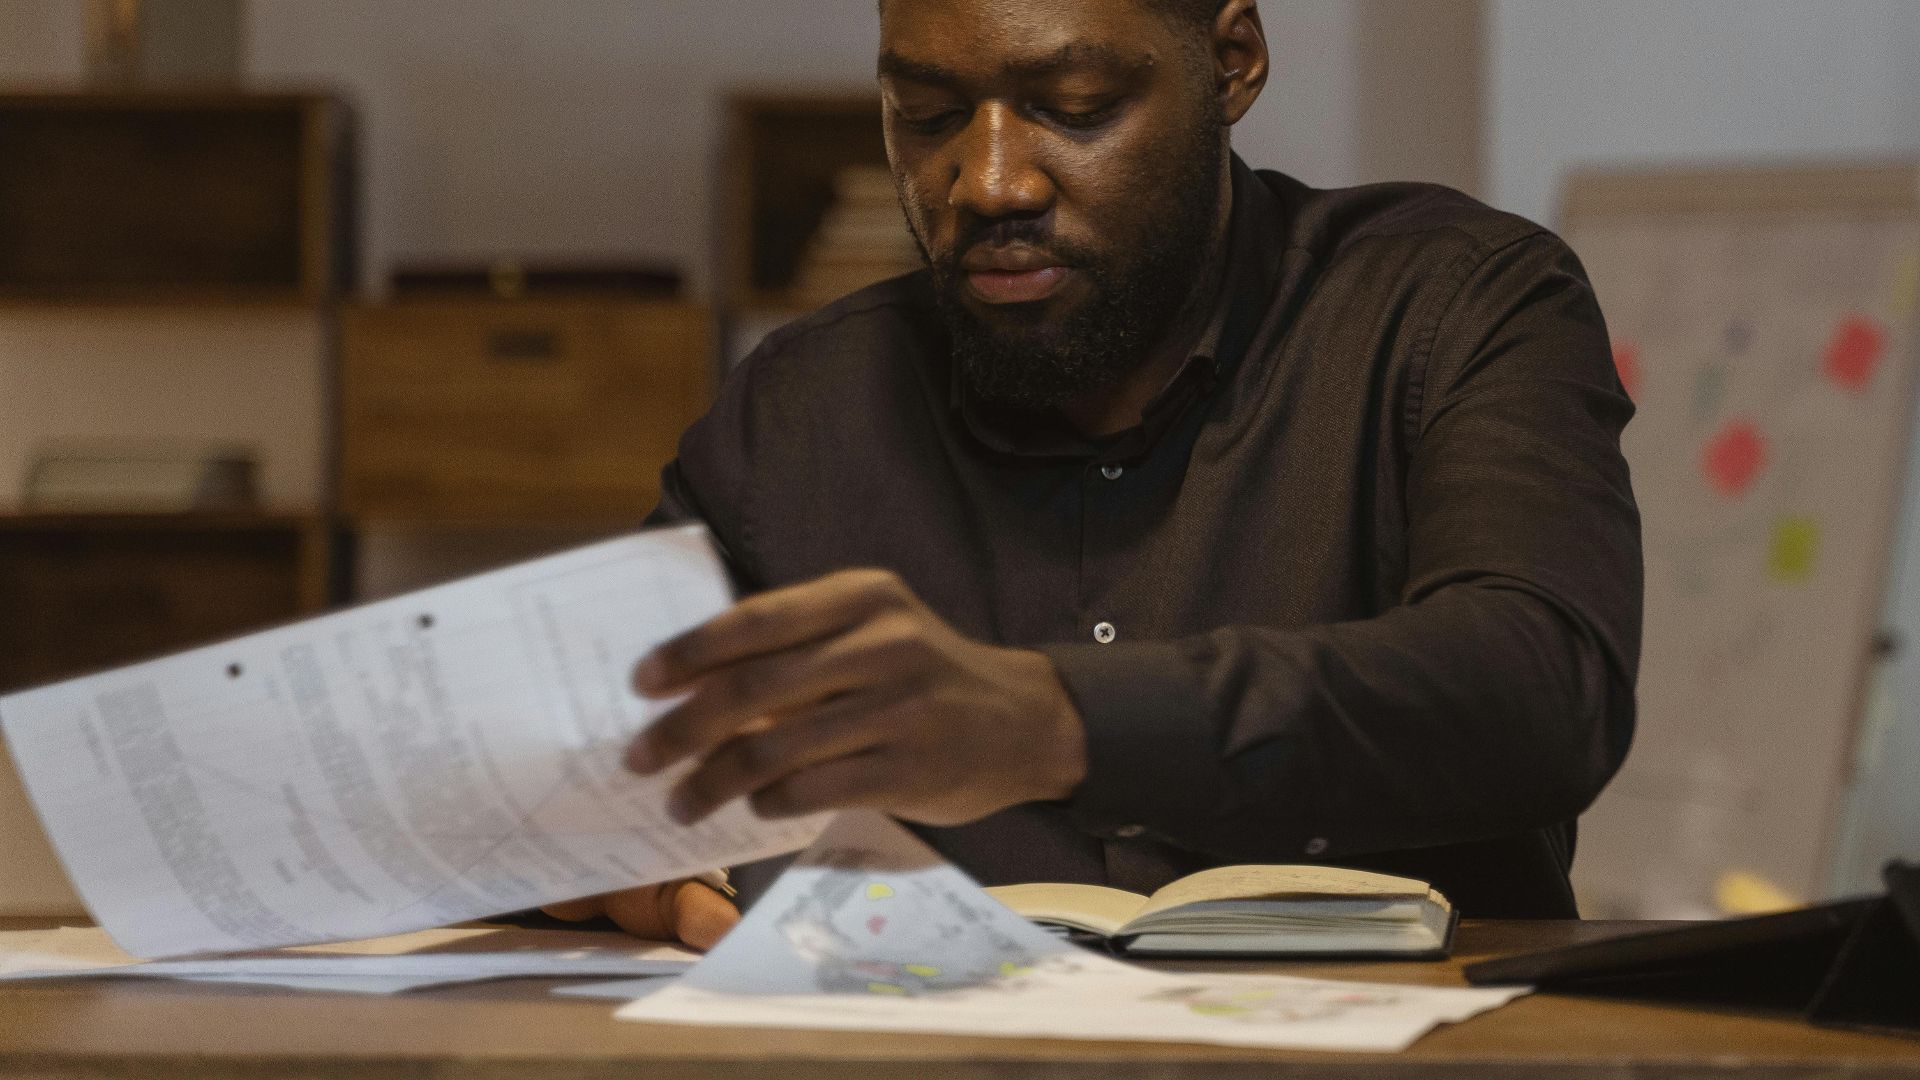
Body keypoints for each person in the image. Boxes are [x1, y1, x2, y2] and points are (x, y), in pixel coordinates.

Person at [542, 0, 1641, 948]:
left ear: (1232, 62)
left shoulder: (1455, 306)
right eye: (925, 116)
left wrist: (1055, 721)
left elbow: (1541, 691)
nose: (989, 181)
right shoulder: (800, 408)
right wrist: (587, 849)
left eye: (1073, 105)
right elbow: (586, 744)